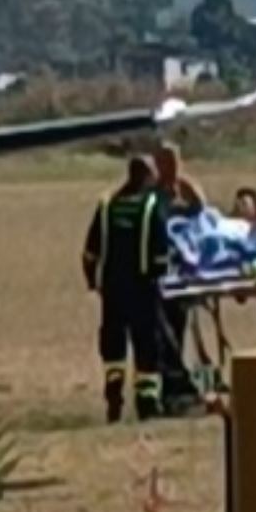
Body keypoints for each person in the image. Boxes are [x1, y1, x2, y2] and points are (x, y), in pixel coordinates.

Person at [82, 156, 172, 422]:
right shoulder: (152, 206)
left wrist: (92, 282)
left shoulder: (107, 205)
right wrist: (161, 282)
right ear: (147, 176)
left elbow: (89, 252)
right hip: (143, 288)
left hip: (112, 288)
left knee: (113, 343)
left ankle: (114, 393)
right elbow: (161, 255)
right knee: (147, 344)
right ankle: (147, 403)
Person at [151, 142, 204, 415]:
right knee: (163, 336)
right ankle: (174, 388)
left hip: (183, 276)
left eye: (175, 162)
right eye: (165, 163)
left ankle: (177, 388)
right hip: (159, 276)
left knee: (178, 331)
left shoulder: (184, 191)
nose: (171, 168)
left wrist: (193, 196)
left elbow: (202, 218)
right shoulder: (152, 195)